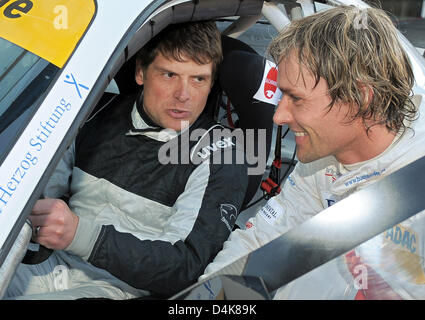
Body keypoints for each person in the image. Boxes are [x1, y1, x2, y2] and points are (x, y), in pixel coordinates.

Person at [5, 21, 248, 299]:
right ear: (141, 72)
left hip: (120, 289)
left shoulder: (221, 154)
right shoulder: (94, 112)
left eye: (198, 79)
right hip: (49, 262)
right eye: (169, 74)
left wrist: (80, 235)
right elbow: (35, 189)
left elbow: (185, 268)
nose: (184, 95)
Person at [201, 6, 425, 299]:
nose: (278, 116)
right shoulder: (325, 157)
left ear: (360, 98)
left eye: (296, 98)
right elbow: (261, 239)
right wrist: (208, 296)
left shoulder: (413, 187)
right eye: (282, 96)